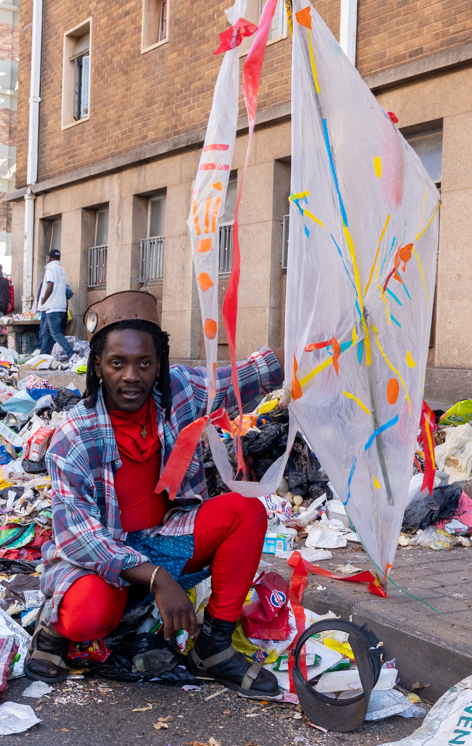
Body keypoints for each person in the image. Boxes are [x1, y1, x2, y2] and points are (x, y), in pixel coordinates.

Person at [23, 291, 284, 699]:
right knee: (90, 615)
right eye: (117, 363)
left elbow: (248, 375)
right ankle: (53, 630)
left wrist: (323, 341)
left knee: (245, 511)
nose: (132, 376)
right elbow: (79, 537)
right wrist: (158, 579)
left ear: (158, 363)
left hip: (164, 538)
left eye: (144, 363)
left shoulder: (177, 392)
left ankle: (213, 648)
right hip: (101, 559)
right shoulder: (75, 434)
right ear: (97, 365)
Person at [35, 249, 72, 357]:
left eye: (47, 258)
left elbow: (49, 287)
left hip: (52, 307)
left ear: (50, 258)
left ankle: (72, 354)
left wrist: (42, 300)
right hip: (61, 306)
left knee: (56, 333)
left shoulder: (50, 269)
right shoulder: (62, 270)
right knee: (46, 334)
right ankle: (43, 355)